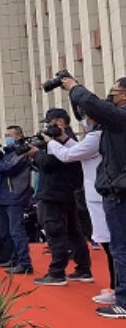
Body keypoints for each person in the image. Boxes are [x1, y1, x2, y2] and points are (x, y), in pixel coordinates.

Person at [63, 76, 126, 318]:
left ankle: (123, 301)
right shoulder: (115, 120)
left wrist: (74, 86)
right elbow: (88, 109)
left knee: (120, 248)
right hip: (114, 189)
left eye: (114, 92)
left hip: (118, 192)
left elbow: (92, 104)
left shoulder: (120, 118)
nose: (110, 96)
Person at [44, 113, 114, 302]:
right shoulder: (98, 136)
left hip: (101, 194)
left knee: (111, 245)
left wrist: (51, 143)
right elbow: (78, 150)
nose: (84, 122)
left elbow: (68, 156)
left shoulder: (97, 136)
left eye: (87, 117)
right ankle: (116, 286)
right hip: (97, 193)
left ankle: (117, 289)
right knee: (109, 243)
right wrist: (64, 139)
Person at [25, 115, 92, 286]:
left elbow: (49, 163)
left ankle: (57, 272)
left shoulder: (63, 141)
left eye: (49, 123)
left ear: (59, 122)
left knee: (56, 231)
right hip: (63, 192)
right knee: (73, 232)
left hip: (55, 193)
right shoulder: (67, 140)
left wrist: (36, 154)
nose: (47, 128)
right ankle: (83, 269)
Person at [0, 126, 34, 274]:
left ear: (19, 136)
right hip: (1, 197)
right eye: (5, 135)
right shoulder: (6, 153)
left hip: (15, 197)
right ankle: (14, 258)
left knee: (16, 231)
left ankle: (24, 262)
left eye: (9, 135)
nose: (7, 138)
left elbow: (9, 168)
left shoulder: (22, 152)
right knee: (4, 232)